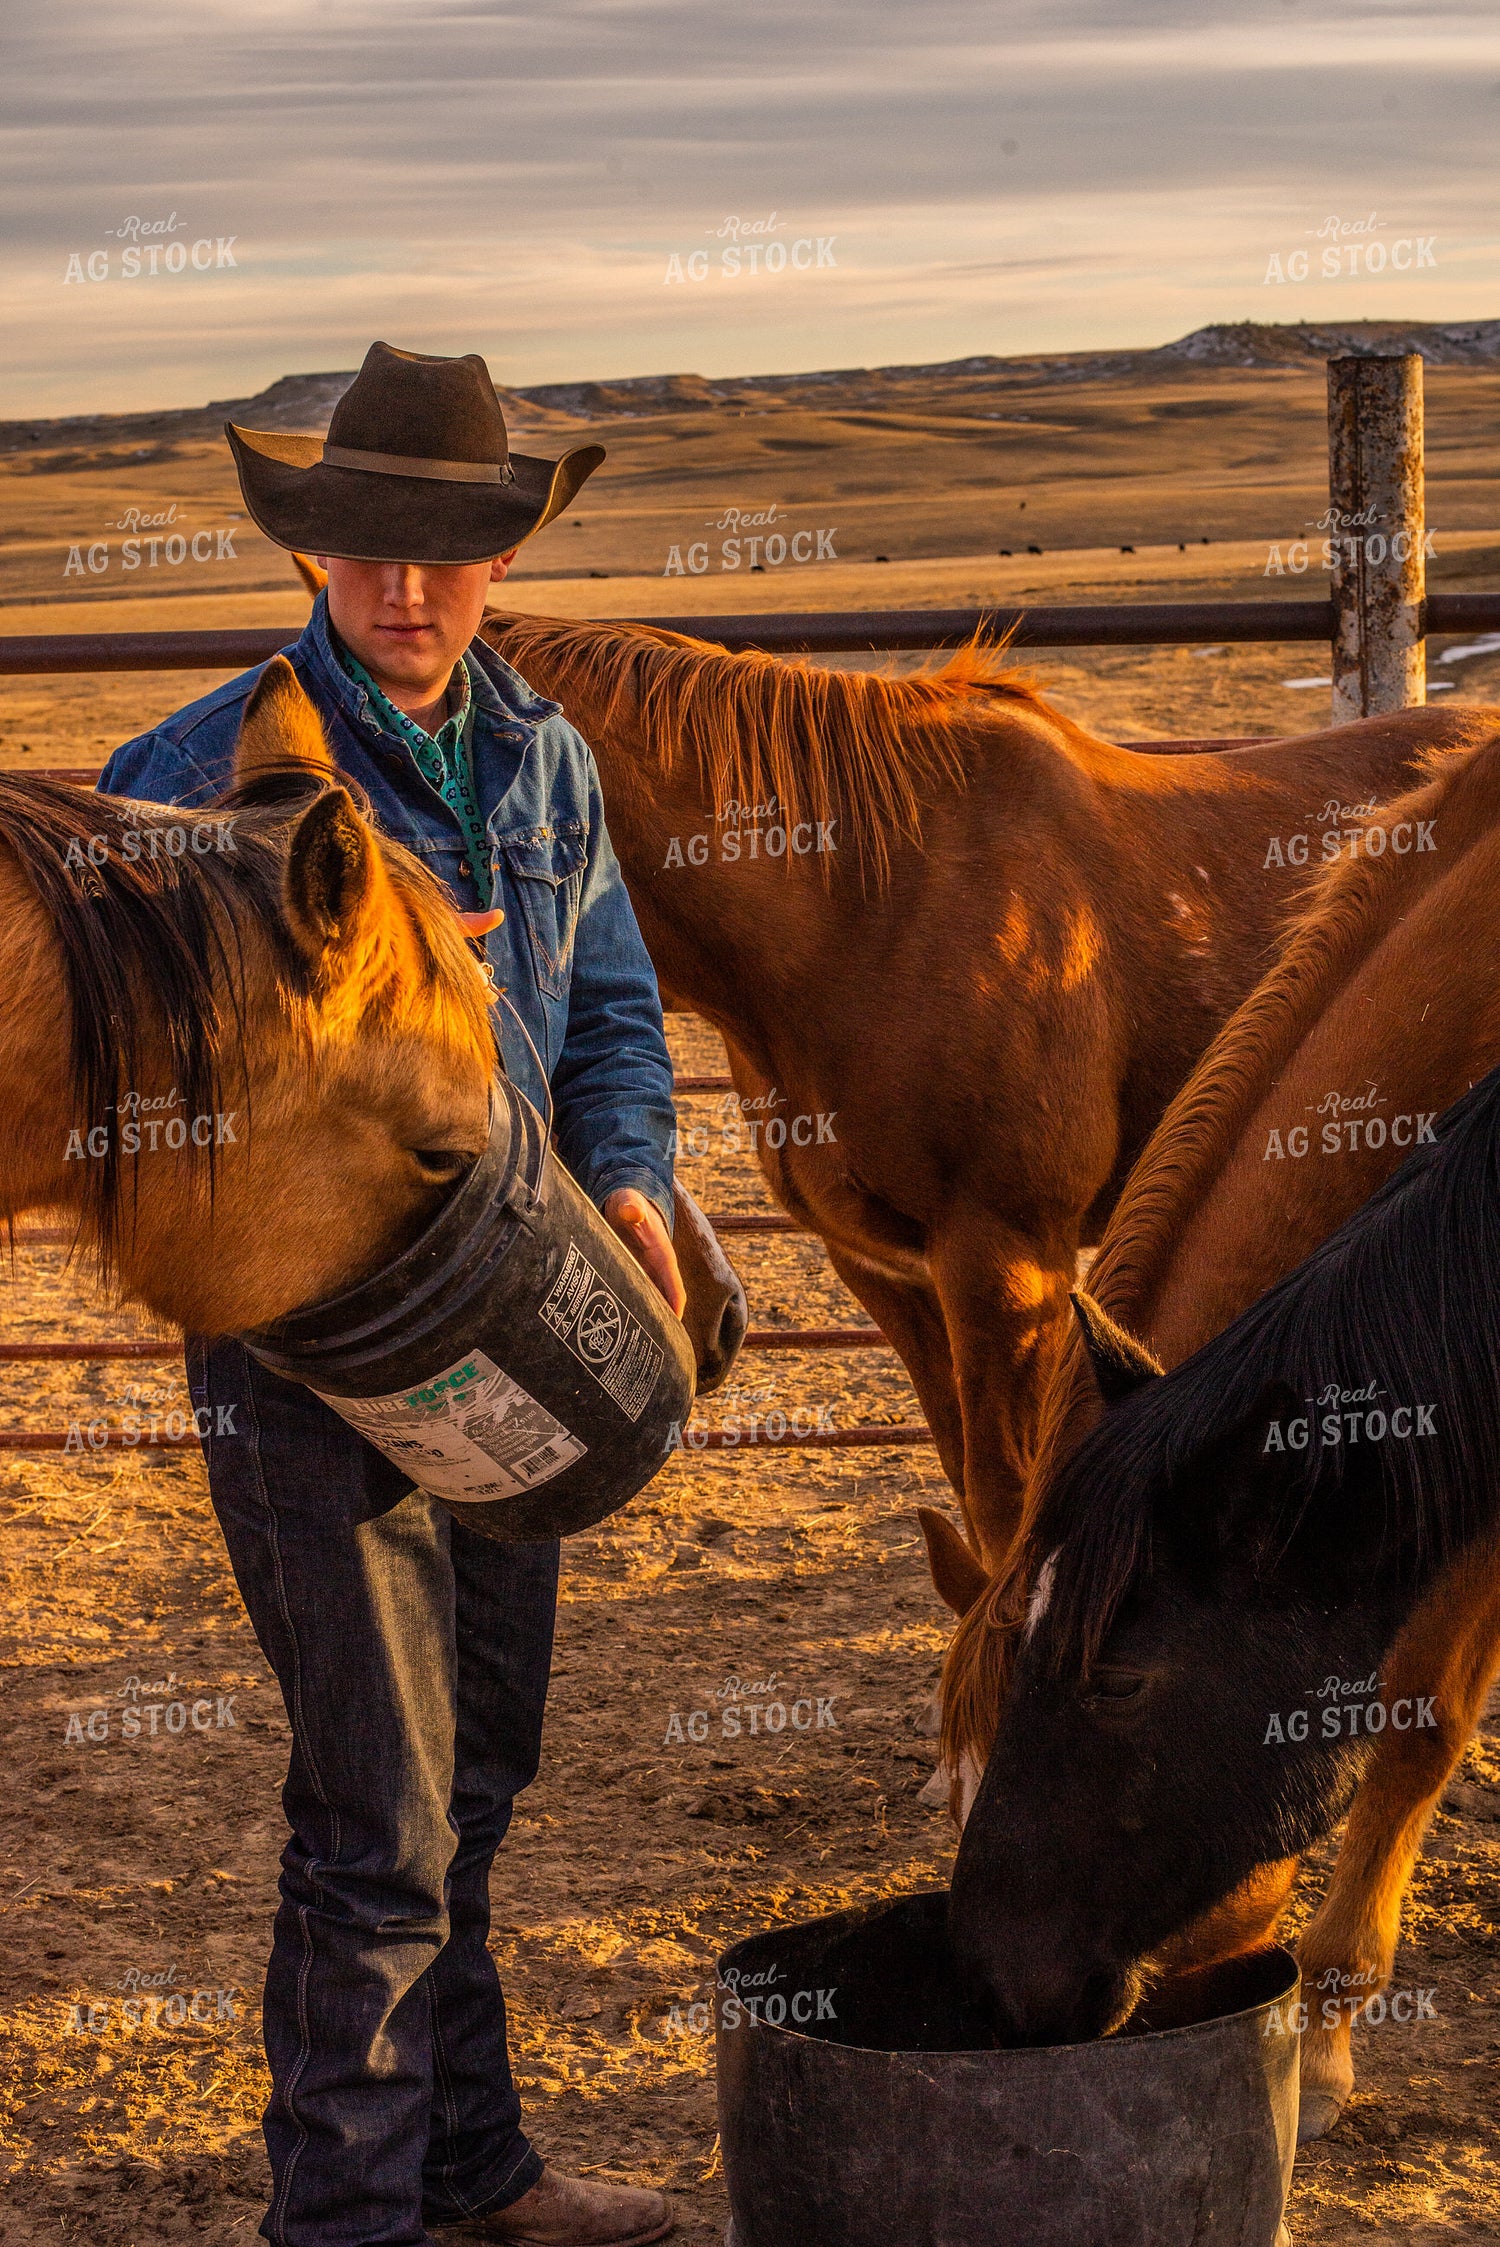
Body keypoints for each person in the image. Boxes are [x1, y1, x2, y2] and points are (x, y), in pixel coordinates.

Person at [99, 342, 681, 2247]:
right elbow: (141, 1093)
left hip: (516, 1316)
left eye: (443, 550)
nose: (406, 587)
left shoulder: (545, 759)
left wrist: (630, 1177)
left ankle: (470, 2172)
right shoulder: (188, 782)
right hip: (305, 1351)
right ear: (311, 558)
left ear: (499, 560)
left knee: (476, 1778)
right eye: (367, 548)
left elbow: (607, 1013)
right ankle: (345, 2222)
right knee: (381, 1812)